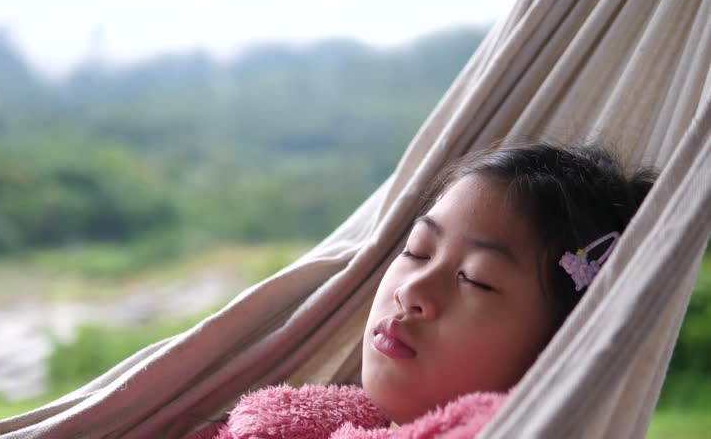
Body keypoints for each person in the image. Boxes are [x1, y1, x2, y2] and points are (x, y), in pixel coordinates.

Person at [189, 143, 657, 439]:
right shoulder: (296, 423)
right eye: (417, 251)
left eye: (476, 279)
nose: (412, 290)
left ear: (565, 341)